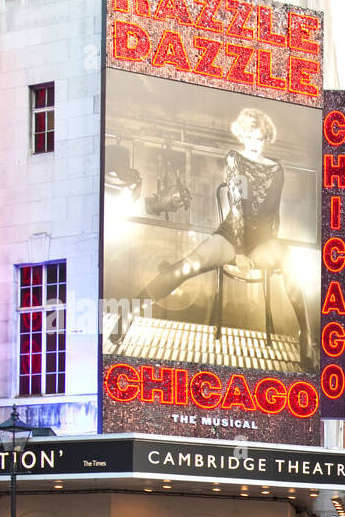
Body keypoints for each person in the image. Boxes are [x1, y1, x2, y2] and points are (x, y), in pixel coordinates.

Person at [113, 108, 314, 367]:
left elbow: (273, 215)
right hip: (232, 235)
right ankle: (129, 310)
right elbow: (238, 205)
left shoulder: (277, 170)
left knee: (288, 258)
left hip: (261, 241)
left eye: (260, 139)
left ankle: (306, 336)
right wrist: (239, 253)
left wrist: (272, 251)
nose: (255, 144)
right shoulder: (235, 160)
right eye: (250, 138)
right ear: (243, 136)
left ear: (267, 139)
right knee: (187, 266)